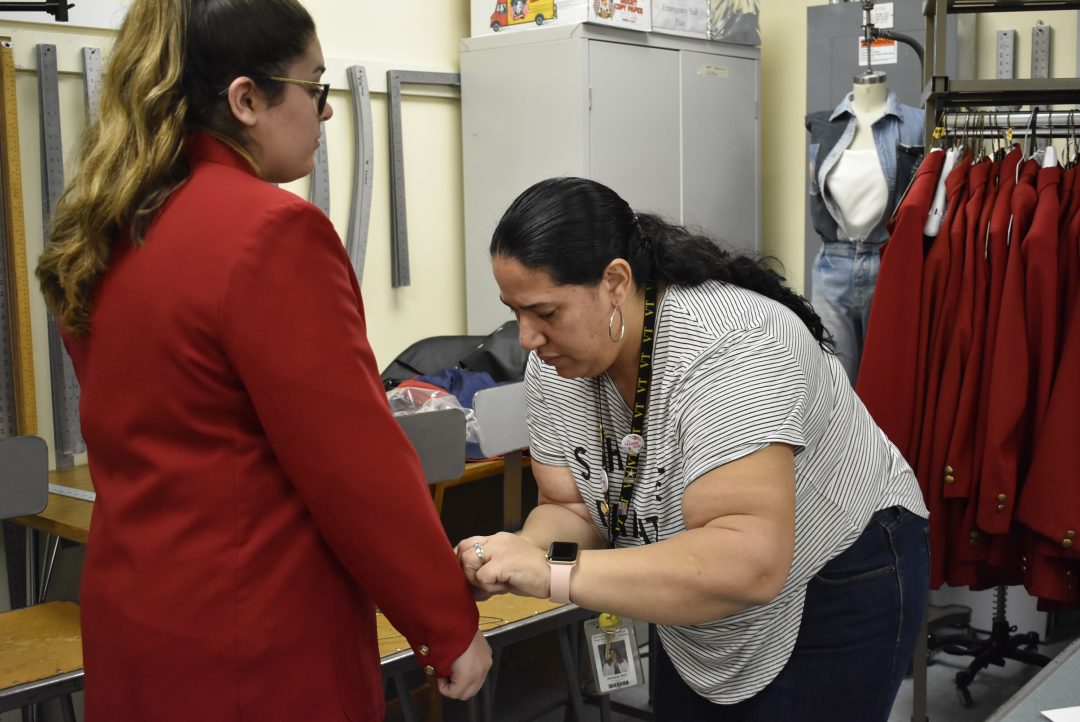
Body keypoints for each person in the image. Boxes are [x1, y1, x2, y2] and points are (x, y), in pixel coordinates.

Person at [35, 1, 490, 719]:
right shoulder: (272, 233)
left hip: (138, 627)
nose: (326, 111)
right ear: (246, 99)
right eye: (315, 87)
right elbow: (354, 465)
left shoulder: (105, 231)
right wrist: (445, 621)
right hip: (256, 641)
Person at [456, 177, 929, 721]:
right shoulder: (557, 362)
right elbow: (573, 508)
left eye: (546, 312)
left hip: (836, 569)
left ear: (616, 282)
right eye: (514, 311)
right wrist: (518, 555)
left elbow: (747, 564)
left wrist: (553, 573)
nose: (526, 338)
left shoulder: (734, 345)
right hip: (697, 575)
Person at [805, 69, 925, 384]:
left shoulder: (918, 124)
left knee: (885, 380)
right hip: (832, 267)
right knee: (834, 382)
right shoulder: (824, 125)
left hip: (889, 262)